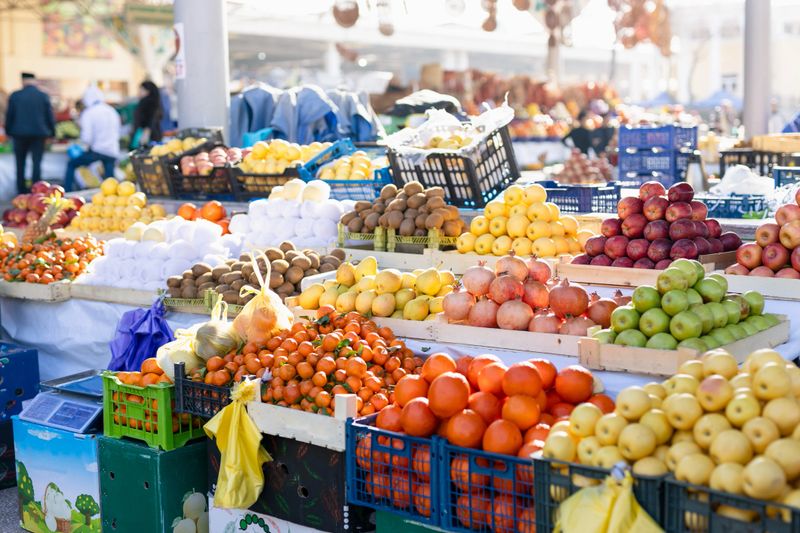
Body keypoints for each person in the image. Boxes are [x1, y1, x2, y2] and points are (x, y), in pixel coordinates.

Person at [4, 72, 55, 193]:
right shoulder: (43, 96)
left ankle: (21, 191)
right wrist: (52, 133)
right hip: (39, 134)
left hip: (19, 134)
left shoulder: (16, 95)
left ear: (23, 81)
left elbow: (9, 116)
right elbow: (49, 116)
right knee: (36, 164)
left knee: (20, 164)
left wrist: (8, 131)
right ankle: (36, 191)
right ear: (34, 81)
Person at [64, 85, 120, 191]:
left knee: (71, 164)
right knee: (110, 181)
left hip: (97, 150)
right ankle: (112, 197)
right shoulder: (111, 111)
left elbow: (87, 138)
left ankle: (67, 191)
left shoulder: (89, 113)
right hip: (112, 150)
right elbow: (118, 131)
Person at [130, 81, 163, 149]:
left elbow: (148, 118)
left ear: (148, 91)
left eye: (141, 89)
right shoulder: (157, 102)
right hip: (155, 135)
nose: (139, 92)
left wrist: (146, 132)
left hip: (144, 135)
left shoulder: (145, 102)